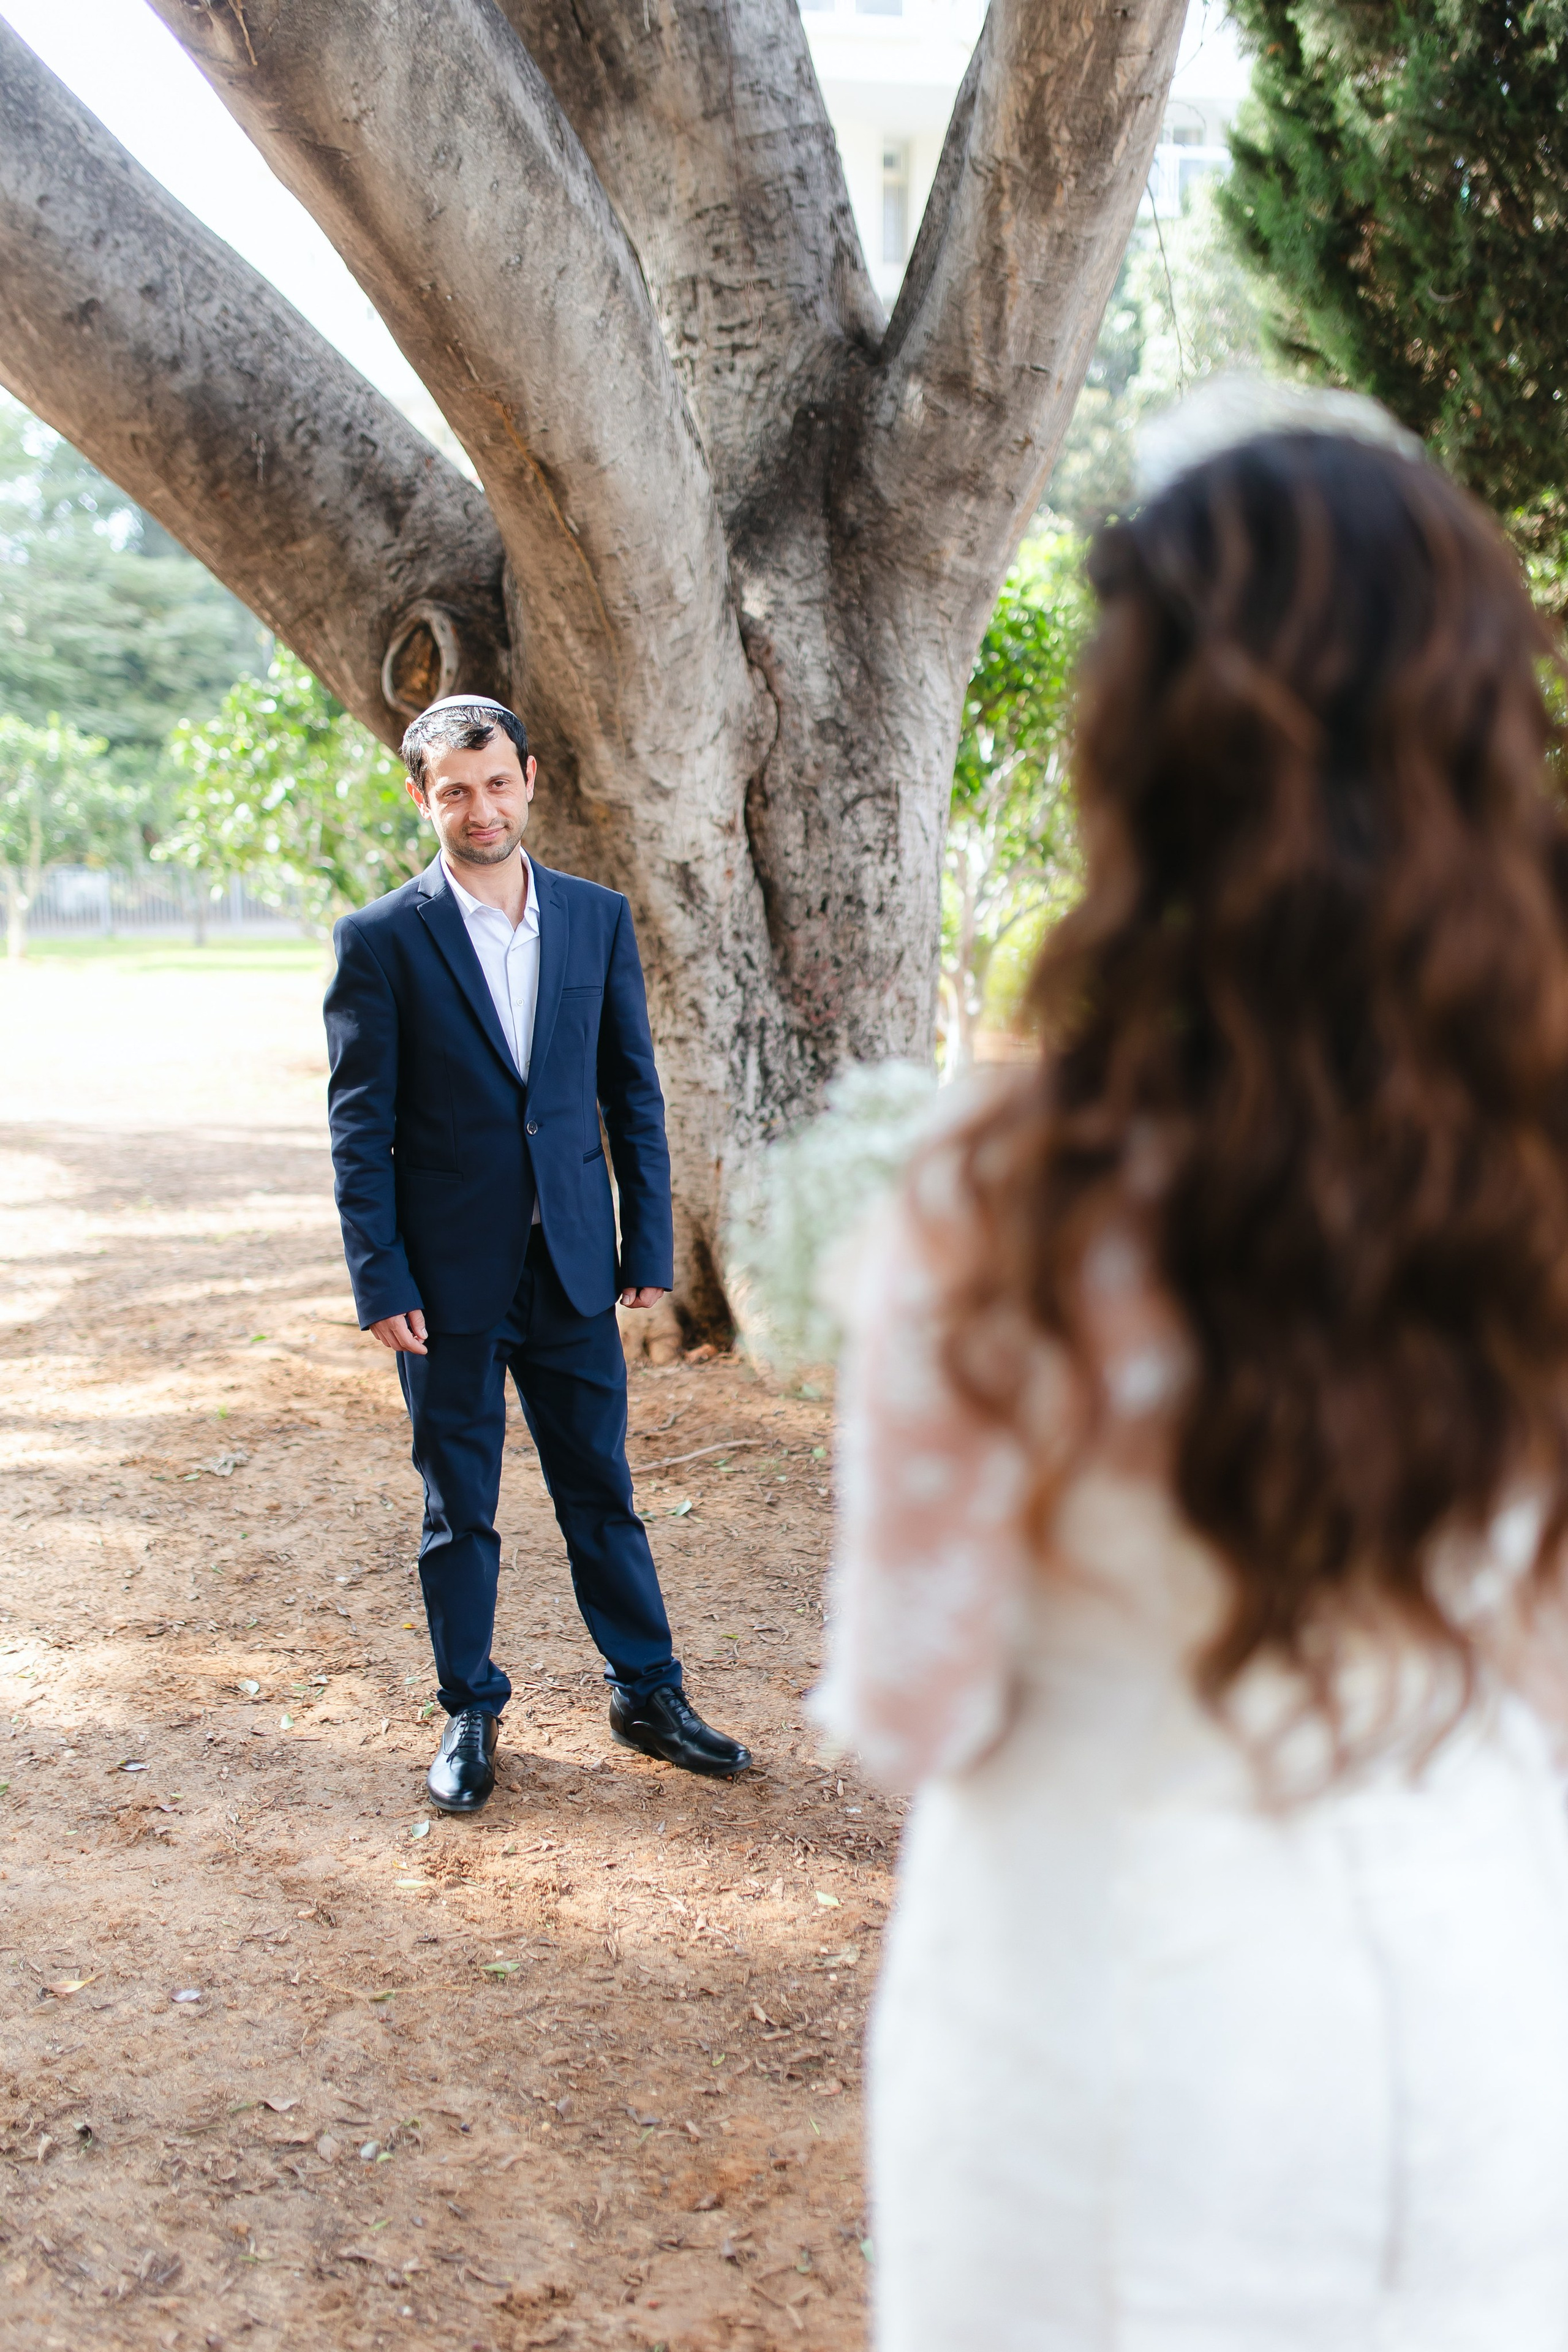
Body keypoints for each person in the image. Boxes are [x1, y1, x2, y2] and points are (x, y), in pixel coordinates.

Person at [816, 413, 1568, 2348]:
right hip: (1483, 2013)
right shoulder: (1538, 1176)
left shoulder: (1004, 1209)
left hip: (1098, 2033)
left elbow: (918, 1699)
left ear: (1135, 757)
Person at [323, 692, 751, 1811]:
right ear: (420, 795)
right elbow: (360, 1127)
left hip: (570, 1264)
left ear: (529, 782)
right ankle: (469, 1706)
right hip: (443, 1281)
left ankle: (646, 1692)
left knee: (599, 1487)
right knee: (458, 1503)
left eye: (497, 782)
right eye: (454, 790)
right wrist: (380, 1275)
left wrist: (643, 1241)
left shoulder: (594, 919)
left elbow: (632, 1096)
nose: (481, 807)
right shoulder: (379, 941)